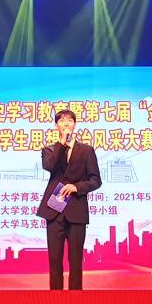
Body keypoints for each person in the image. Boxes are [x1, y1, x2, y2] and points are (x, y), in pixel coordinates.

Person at [35, 108, 101, 290]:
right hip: (54, 212)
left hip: (76, 211)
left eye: (69, 120)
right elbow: (50, 166)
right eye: (62, 121)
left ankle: (75, 299)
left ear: (75, 125)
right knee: (54, 260)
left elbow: (96, 180)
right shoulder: (49, 150)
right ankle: (56, 299)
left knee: (76, 260)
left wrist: (76, 187)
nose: (66, 123)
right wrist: (62, 144)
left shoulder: (86, 151)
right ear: (56, 126)